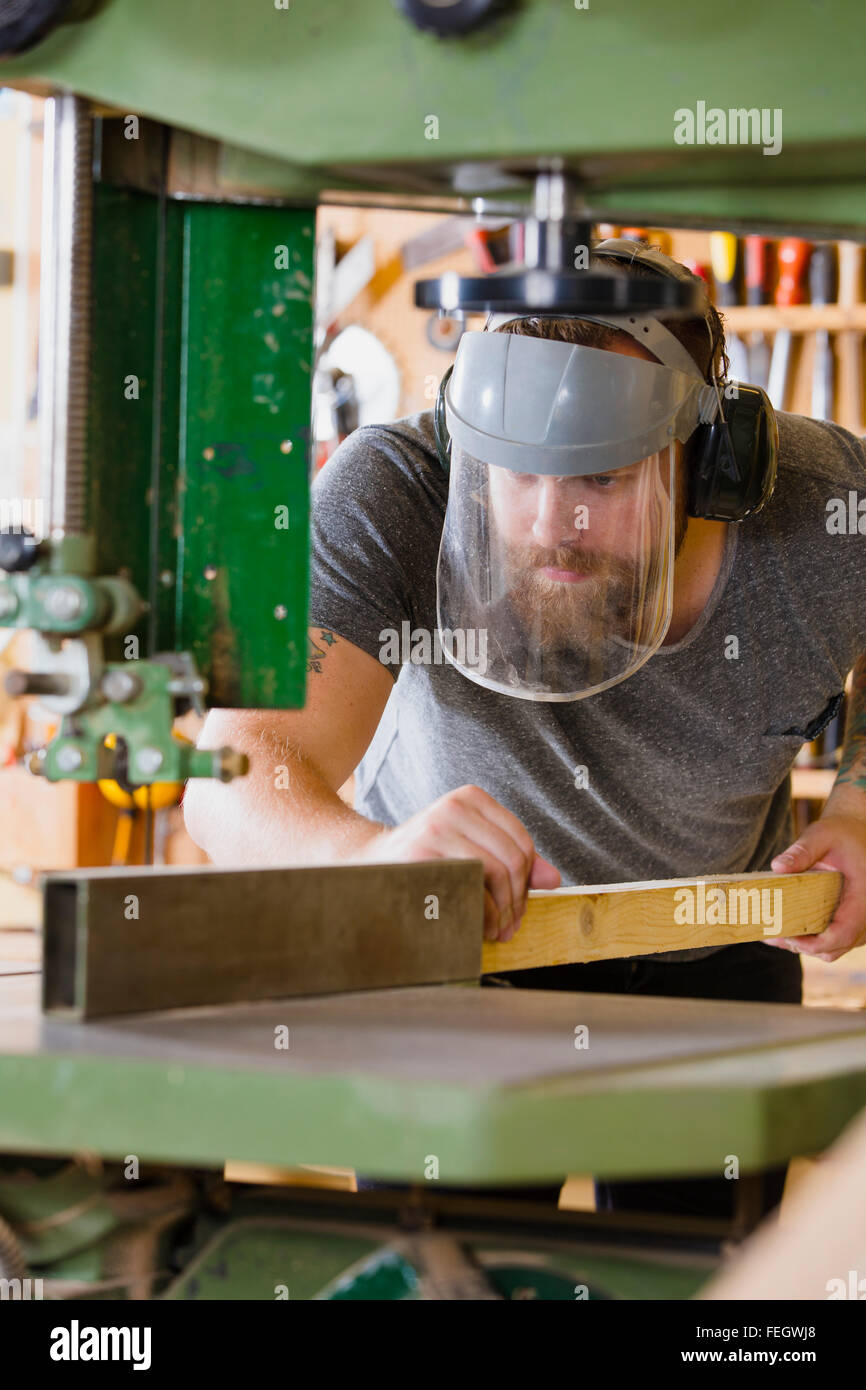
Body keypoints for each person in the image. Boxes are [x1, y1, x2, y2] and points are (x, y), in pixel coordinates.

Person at [184, 242, 866, 1221]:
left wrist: (856, 803)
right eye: (515, 472)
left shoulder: (819, 506)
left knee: (706, 1289)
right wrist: (371, 863)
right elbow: (230, 773)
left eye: (600, 479)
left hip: (712, 940)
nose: (552, 523)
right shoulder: (393, 489)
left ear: (709, 460)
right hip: (464, 948)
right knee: (446, 1272)